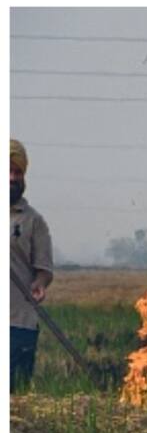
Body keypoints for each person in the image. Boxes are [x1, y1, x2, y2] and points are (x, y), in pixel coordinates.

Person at [10, 139, 53, 392]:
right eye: (8, 170)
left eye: (18, 172)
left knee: (14, 401)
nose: (12, 177)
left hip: (19, 323)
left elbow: (44, 270)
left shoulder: (34, 221)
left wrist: (40, 284)